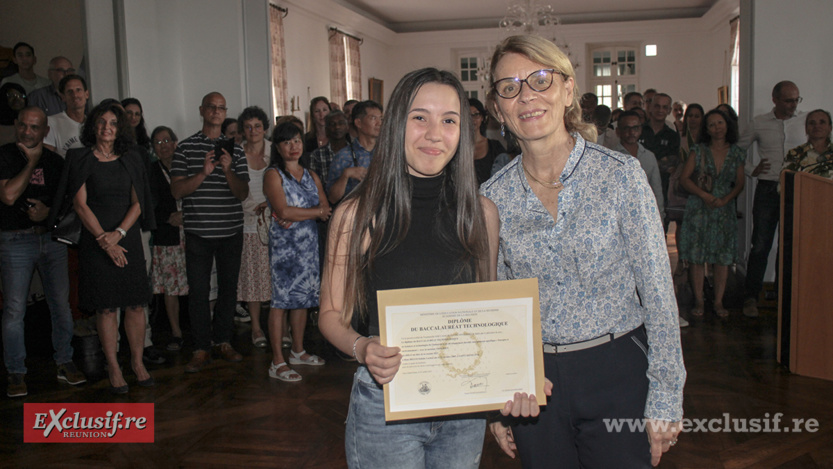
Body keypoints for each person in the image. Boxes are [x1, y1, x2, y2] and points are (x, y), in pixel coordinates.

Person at [481, 35, 685, 467]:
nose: (527, 96)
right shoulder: (491, 198)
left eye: (541, 80)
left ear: (568, 90)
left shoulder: (620, 176)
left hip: (618, 370)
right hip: (535, 385)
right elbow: (493, 306)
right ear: (498, 109)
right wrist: (494, 400)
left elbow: (658, 292)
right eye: (510, 87)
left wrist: (666, 393)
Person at [319, 67, 510, 468]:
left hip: (463, 406)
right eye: (419, 117)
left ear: (464, 132)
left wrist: (501, 394)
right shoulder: (357, 215)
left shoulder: (481, 214)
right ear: (395, 125)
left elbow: (485, 315)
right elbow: (330, 315)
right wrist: (362, 347)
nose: (434, 133)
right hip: (386, 405)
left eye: (449, 120)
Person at [58, 101, 156, 393]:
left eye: (113, 123)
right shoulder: (80, 158)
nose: (106, 128)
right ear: (92, 126)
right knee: (106, 308)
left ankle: (137, 363)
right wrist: (104, 238)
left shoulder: (134, 157)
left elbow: (140, 203)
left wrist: (120, 233)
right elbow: (80, 204)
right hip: (95, 240)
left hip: (127, 238)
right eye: (101, 122)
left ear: (120, 128)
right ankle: (114, 367)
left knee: (136, 304)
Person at [1, 106, 86, 398]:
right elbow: (9, 195)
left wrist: (48, 213)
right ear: (16, 125)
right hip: (15, 241)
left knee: (61, 305)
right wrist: (31, 162)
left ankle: (64, 361)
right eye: (23, 125)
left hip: (51, 240)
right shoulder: (5, 155)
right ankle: (16, 372)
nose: (27, 131)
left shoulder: (55, 162)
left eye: (34, 127)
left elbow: (67, 202)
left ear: (45, 131)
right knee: (14, 309)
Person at [170, 91, 249, 373]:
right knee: (199, 292)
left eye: (221, 108)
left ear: (225, 112)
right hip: (198, 232)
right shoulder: (186, 148)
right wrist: (203, 172)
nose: (216, 112)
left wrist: (227, 171)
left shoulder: (235, 150)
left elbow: (242, 193)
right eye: (211, 107)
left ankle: (224, 342)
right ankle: (201, 347)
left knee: (228, 290)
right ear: (202, 110)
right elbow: (177, 190)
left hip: (230, 231)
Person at [264, 122, 330, 381]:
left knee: (302, 299)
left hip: (308, 246)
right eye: (287, 142)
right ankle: (277, 361)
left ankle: (298, 351)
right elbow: (284, 211)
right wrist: (312, 213)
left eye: (297, 141)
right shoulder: (274, 174)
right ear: (278, 147)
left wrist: (304, 214)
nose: (293, 146)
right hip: (285, 249)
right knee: (281, 302)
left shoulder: (311, 174)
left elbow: (326, 206)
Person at [737, 81, 805, 317]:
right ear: (775, 100)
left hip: (798, 187)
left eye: (796, 100)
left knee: (790, 245)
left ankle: (782, 297)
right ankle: (750, 298)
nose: (793, 105)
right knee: (761, 245)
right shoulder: (760, 123)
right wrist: (750, 169)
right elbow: (737, 150)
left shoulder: (805, 121)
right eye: (788, 100)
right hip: (768, 187)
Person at [678, 109, 745, 318]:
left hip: (724, 209)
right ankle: (699, 300)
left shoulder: (736, 152)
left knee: (722, 258)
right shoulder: (698, 150)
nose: (717, 128)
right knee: (697, 258)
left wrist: (726, 199)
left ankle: (718, 301)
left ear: (727, 125)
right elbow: (684, 179)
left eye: (720, 123)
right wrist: (704, 196)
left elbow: (740, 182)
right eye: (712, 124)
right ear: (706, 129)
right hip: (699, 208)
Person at [148, 126, 188, 351]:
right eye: (157, 142)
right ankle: (176, 332)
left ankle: (203, 328)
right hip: (167, 234)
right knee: (171, 287)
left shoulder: (187, 166)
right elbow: (146, 204)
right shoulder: (150, 171)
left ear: (175, 142)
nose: (163, 146)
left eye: (166, 141)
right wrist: (168, 218)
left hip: (192, 232)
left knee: (199, 283)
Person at [237, 106, 273, 348]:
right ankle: (257, 328)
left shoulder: (275, 151)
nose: (253, 131)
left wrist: (270, 204)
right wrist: (253, 206)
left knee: (276, 277)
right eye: (248, 127)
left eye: (257, 126)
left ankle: (283, 329)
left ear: (264, 128)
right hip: (248, 221)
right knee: (252, 278)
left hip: (276, 219)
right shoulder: (237, 153)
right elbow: (232, 188)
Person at [326, 100, 383, 204]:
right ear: (358, 123)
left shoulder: (386, 153)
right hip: (354, 213)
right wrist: (345, 175)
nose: (379, 123)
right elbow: (332, 198)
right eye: (373, 118)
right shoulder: (343, 156)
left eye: (381, 118)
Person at [613, 110, 664, 221]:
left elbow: (656, 191)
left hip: (645, 216)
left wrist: (660, 218)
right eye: (627, 128)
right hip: (619, 217)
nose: (632, 133)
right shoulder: (611, 158)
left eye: (635, 128)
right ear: (618, 131)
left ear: (640, 130)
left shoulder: (649, 157)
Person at [667, 104, 705, 241]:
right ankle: (681, 258)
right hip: (681, 182)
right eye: (690, 116)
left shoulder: (706, 141)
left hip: (700, 182)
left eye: (697, 116)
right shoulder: (679, 138)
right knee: (681, 222)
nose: (693, 119)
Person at [640, 92, 680, 223]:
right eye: (657, 106)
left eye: (664, 107)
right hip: (638, 188)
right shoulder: (639, 130)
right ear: (650, 107)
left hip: (662, 189)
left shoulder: (672, 136)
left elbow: (671, 163)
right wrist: (660, 162)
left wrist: (647, 164)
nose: (660, 110)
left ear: (669, 110)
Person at [43, 74, 89, 157]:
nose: (75, 95)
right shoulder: (51, 122)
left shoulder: (94, 123)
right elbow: (47, 158)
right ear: (63, 97)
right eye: (70, 91)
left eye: (78, 90)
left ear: (87, 94)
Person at [783, 109, 833, 179]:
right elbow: (785, 183)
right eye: (812, 123)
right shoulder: (794, 154)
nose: (817, 126)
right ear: (806, 129)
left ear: (830, 128)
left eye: (822, 122)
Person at [469, 97, 507, 185]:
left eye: (476, 114)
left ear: (482, 118)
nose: (472, 119)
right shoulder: (457, 147)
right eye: (469, 115)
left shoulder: (495, 146)